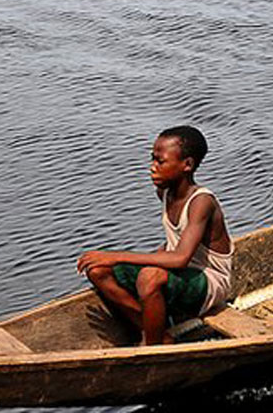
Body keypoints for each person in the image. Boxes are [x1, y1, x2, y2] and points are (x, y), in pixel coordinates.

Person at [77, 126, 233, 345]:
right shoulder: (165, 192)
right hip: (183, 274)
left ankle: (153, 346)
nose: (152, 168)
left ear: (187, 165)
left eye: (161, 162)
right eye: (152, 160)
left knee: (149, 277)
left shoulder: (202, 202)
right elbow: (175, 240)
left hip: (210, 281)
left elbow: (180, 258)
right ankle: (154, 329)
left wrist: (115, 256)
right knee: (98, 270)